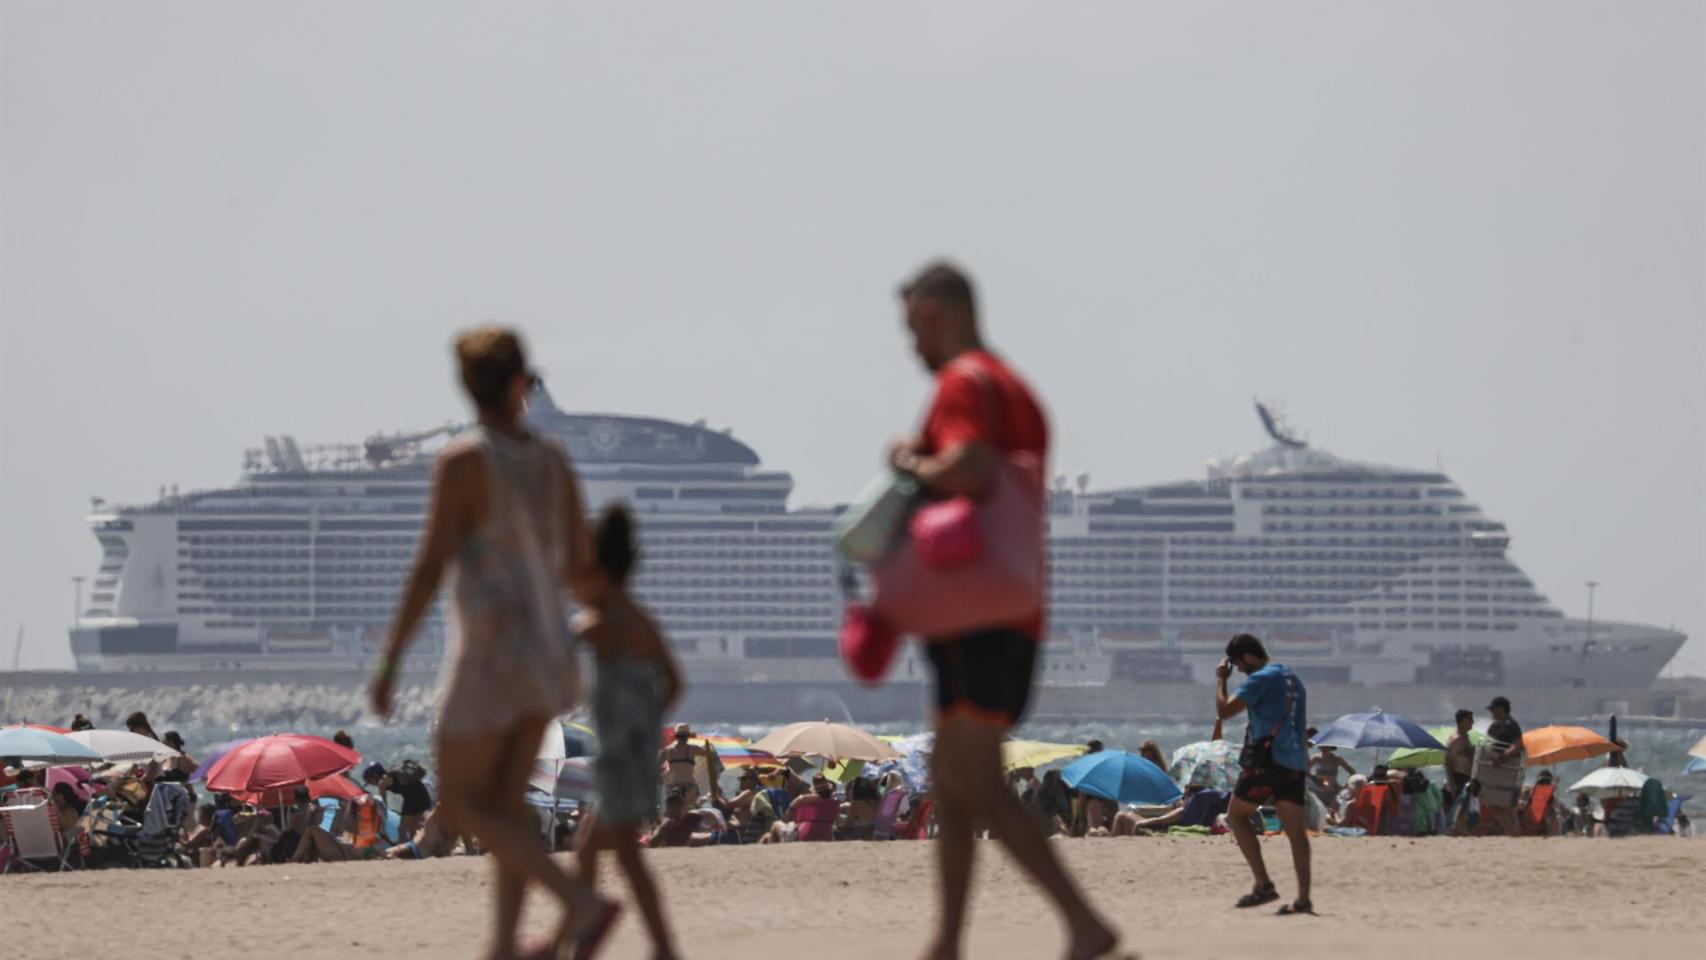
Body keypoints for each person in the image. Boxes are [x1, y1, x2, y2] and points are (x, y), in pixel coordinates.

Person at [886, 262, 1120, 960]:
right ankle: (949, 941)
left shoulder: (962, 383)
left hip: (970, 611)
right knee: (954, 781)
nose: (911, 348)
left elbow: (968, 465)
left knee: (971, 778)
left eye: (912, 328)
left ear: (936, 312)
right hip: (1014, 605)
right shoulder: (1018, 388)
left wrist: (909, 462)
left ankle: (1082, 921)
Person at [369, 327, 617, 960]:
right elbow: (584, 567)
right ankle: (505, 945)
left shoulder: (464, 460)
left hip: (490, 654)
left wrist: (391, 659)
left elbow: (429, 566)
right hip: (549, 654)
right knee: (504, 806)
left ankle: (580, 904)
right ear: (520, 383)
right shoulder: (553, 461)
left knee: (461, 799)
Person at [573, 502, 684, 960]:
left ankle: (658, 947)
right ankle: (580, 940)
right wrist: (644, 723)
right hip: (631, 754)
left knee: (626, 859)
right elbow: (676, 682)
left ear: (597, 571)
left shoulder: (602, 623)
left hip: (620, 760)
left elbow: (565, 643)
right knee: (588, 851)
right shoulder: (640, 618)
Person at [1215, 633, 1312, 916]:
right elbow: (1301, 725)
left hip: (1266, 762)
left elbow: (1224, 711)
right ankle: (1303, 899)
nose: (1239, 670)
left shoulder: (1261, 679)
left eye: (1237, 664)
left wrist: (1221, 679)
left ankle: (1263, 883)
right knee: (1296, 833)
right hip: (1293, 762)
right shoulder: (1293, 679)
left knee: (1236, 816)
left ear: (1244, 657)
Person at [1481, 696, 1524, 837]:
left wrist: (1503, 757)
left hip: (1506, 769)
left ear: (1501, 709)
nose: (1492, 713)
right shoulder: (1495, 726)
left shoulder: (1510, 725)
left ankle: (1512, 832)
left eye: (1493, 710)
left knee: (1495, 804)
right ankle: (1513, 832)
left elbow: (1518, 745)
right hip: (1495, 769)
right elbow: (1489, 744)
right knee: (1503, 805)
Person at [363, 761, 433, 839]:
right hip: (423, 795)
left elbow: (383, 803)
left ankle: (404, 849)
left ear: (375, 775)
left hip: (412, 800)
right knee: (413, 829)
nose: (372, 784)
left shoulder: (382, 782)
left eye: (370, 781)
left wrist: (381, 819)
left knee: (402, 831)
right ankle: (415, 847)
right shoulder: (391, 773)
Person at [658, 723, 709, 807]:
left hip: (673, 787)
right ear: (687, 737)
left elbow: (655, 766)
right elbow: (709, 755)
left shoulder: (668, 751)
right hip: (689, 787)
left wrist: (661, 777)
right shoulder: (693, 749)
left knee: (676, 813)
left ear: (676, 737)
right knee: (690, 812)